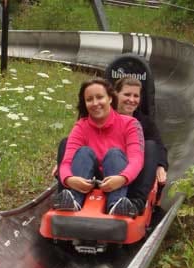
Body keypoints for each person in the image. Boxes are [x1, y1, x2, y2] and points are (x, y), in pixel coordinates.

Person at [53, 78, 145, 217]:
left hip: (119, 179)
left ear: (110, 98)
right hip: (89, 180)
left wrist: (122, 178)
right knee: (84, 152)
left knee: (114, 153)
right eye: (89, 99)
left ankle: (117, 204)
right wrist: (69, 179)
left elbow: (136, 159)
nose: (95, 103)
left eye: (100, 97)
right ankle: (72, 202)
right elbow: (66, 162)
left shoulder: (130, 123)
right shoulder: (80, 127)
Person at [114, 77, 168, 212]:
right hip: (108, 167)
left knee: (151, 145)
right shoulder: (104, 117)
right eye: (127, 94)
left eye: (135, 96)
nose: (131, 100)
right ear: (116, 94)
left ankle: (137, 201)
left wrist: (160, 165)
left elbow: (159, 146)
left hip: (136, 172)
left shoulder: (145, 123)